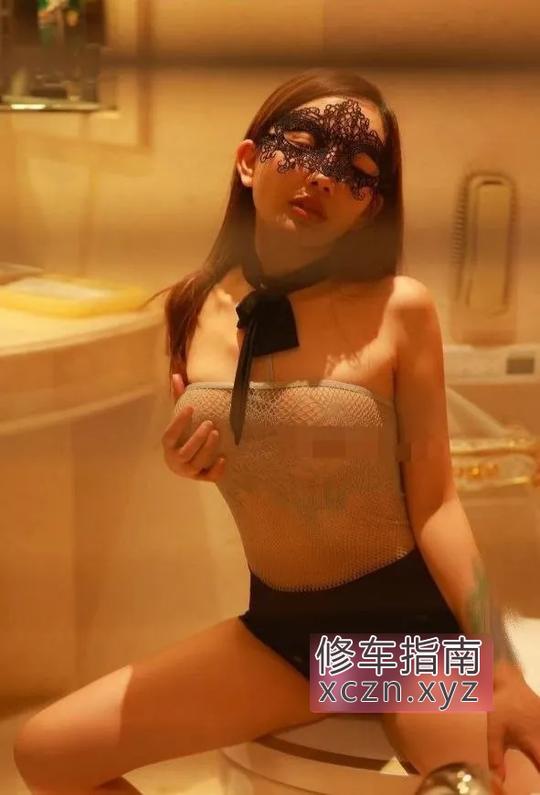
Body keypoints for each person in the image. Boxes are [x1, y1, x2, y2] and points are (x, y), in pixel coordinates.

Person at [12, 68, 540, 794]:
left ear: (370, 207)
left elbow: (438, 504)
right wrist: (185, 461)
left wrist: (502, 669)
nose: (324, 174)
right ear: (247, 161)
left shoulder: (399, 309)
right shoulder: (190, 310)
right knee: (45, 752)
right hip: (281, 639)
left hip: (404, 641)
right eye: (304, 143)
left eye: (358, 170)